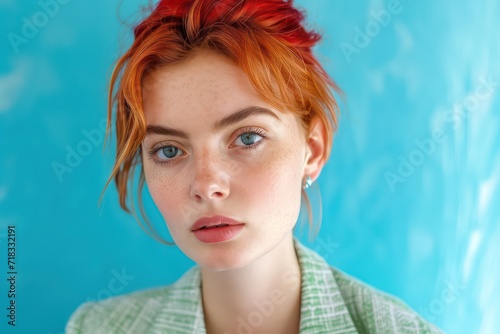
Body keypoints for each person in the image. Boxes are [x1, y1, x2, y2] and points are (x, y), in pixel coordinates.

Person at [66, 0, 444, 333]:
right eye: (168, 150)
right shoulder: (97, 328)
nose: (207, 184)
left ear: (311, 150)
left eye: (247, 138)